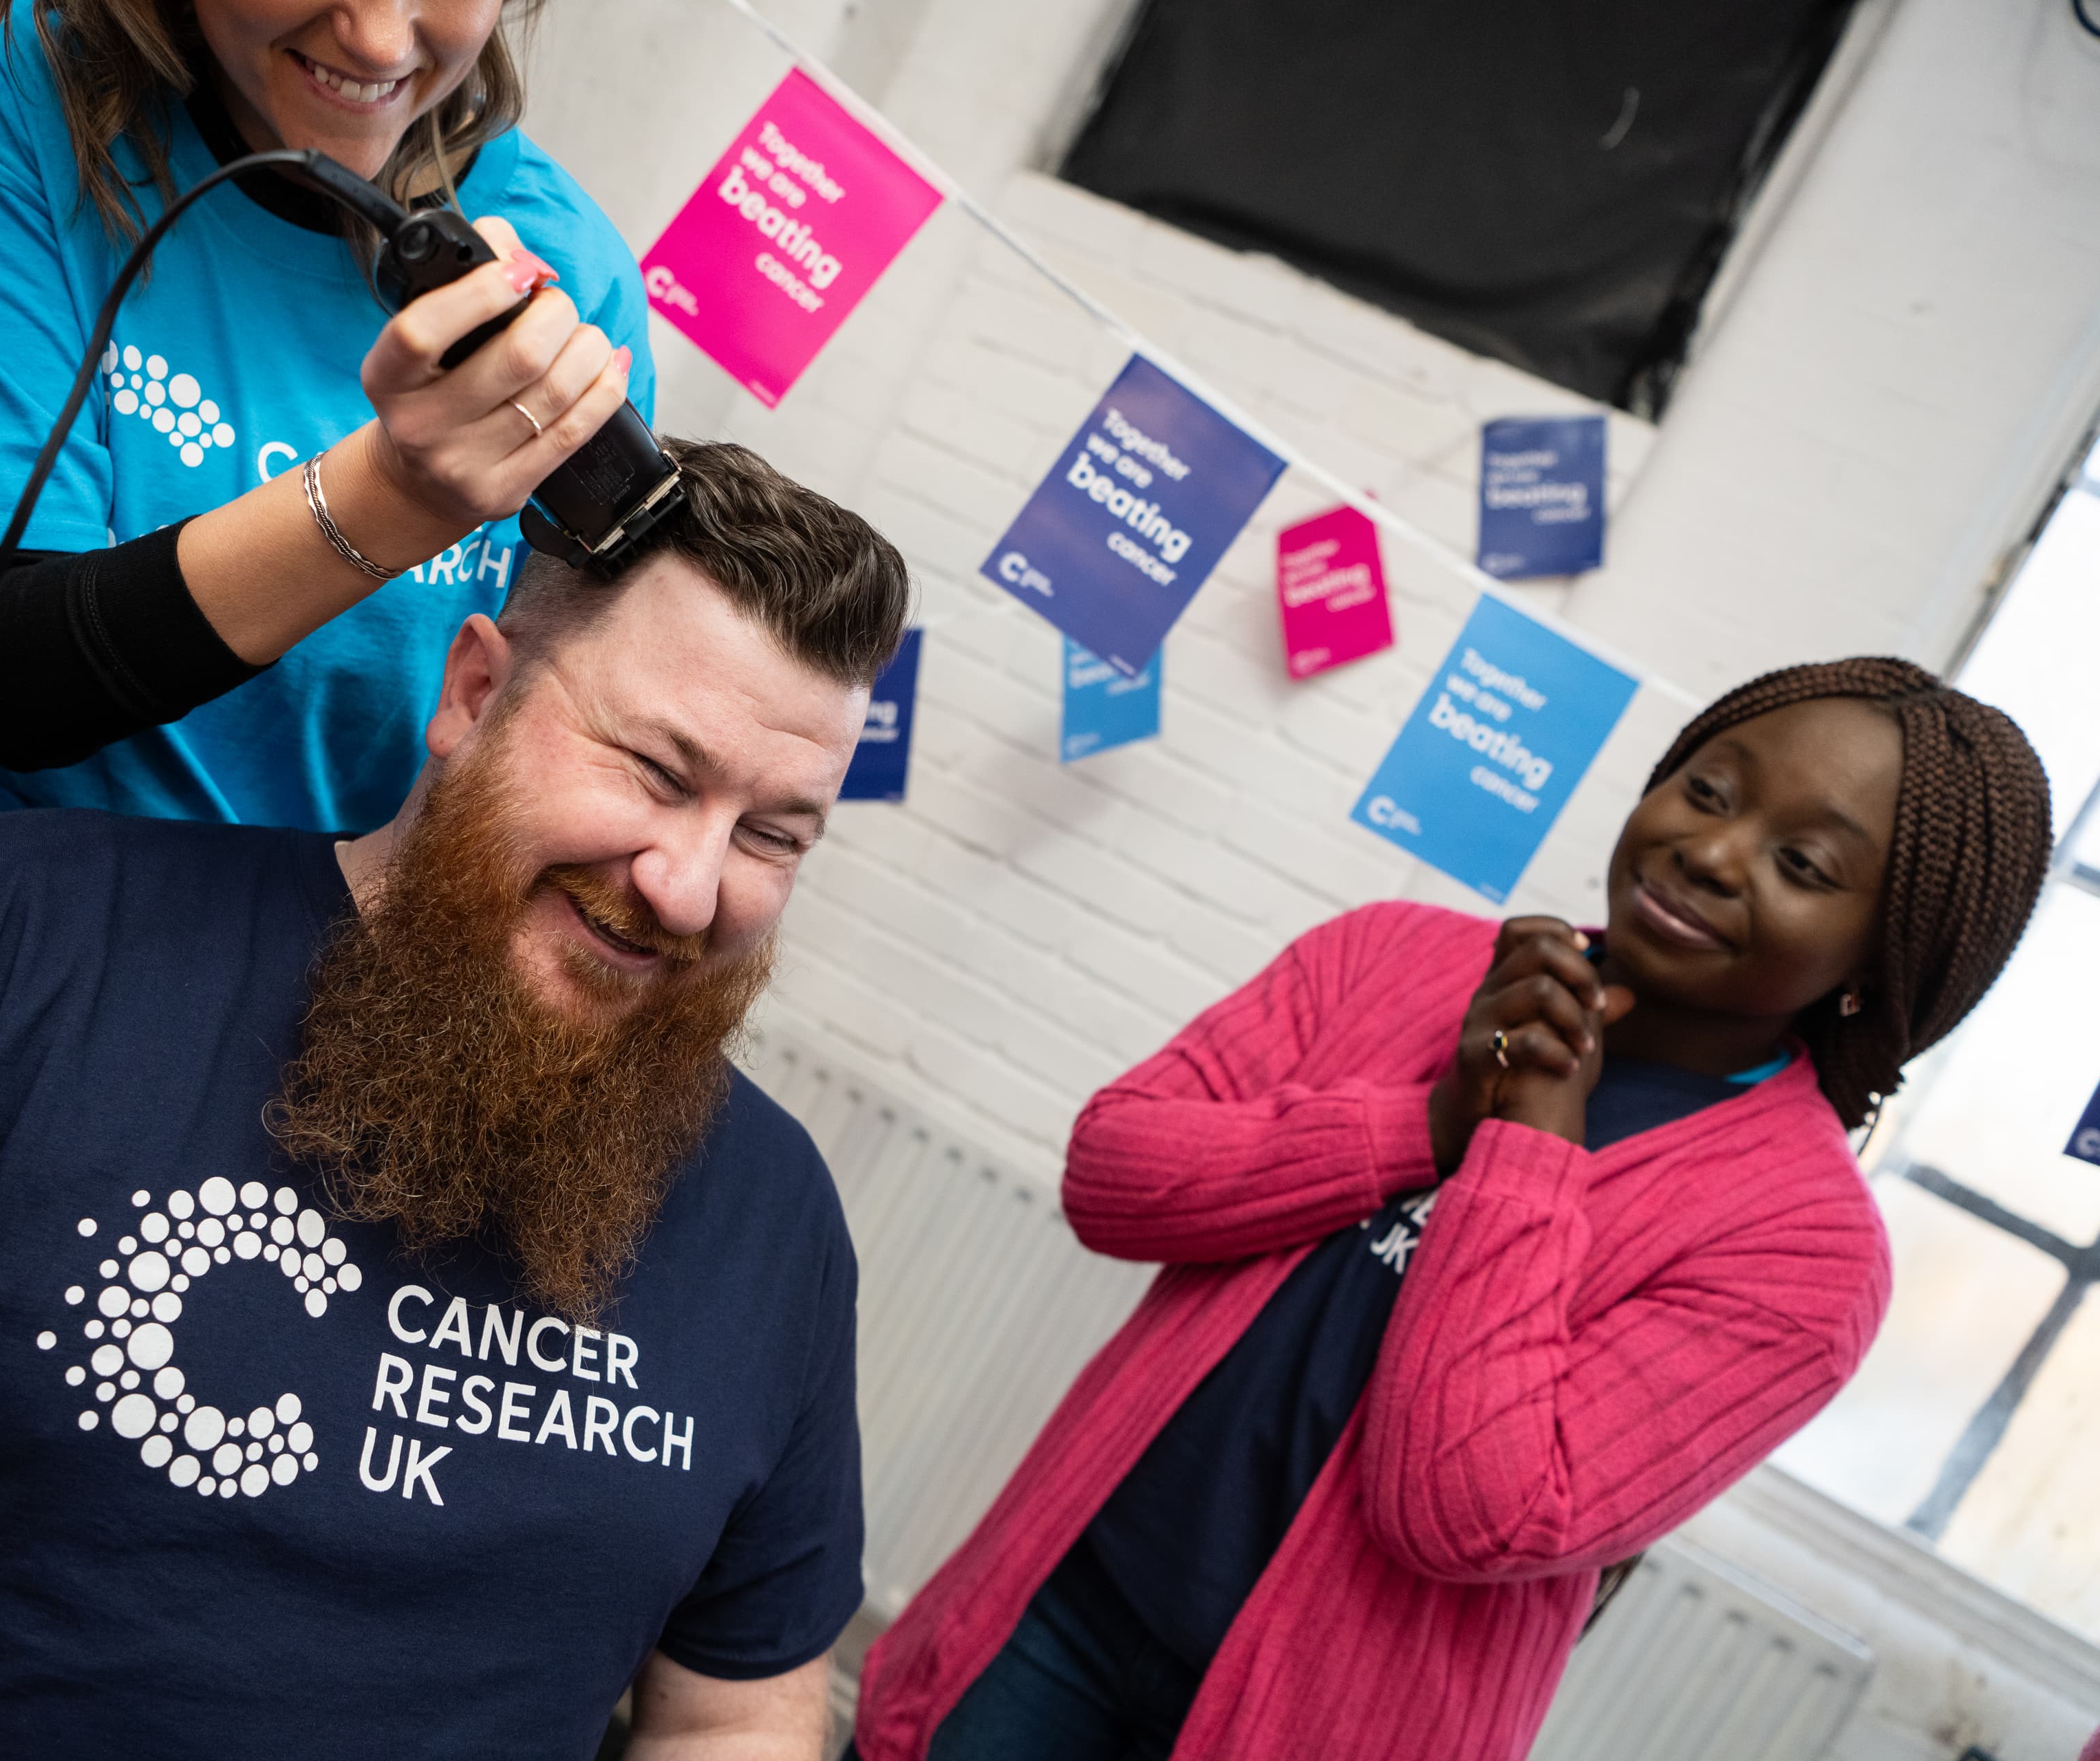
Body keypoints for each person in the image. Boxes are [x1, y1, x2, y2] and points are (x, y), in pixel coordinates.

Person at [0, 442, 909, 1758]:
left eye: (771, 832)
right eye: (656, 770)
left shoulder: (776, 1219)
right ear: (475, 693)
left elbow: (736, 1708)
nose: (688, 883)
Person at [853, 658, 2053, 1761]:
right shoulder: (1397, 958)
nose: (1713, 852)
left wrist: (1527, 1141)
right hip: (1064, 1604)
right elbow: (1115, 1175)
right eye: (1708, 790)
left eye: (1804, 865)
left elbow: (1469, 1511)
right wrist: (1419, 1128)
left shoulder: (1805, 1249)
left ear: (1878, 968)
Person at [0, 0, 658, 933]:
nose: (381, 41)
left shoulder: (580, 278)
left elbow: (537, 745)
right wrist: (393, 498)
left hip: (288, 951)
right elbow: (6, 681)